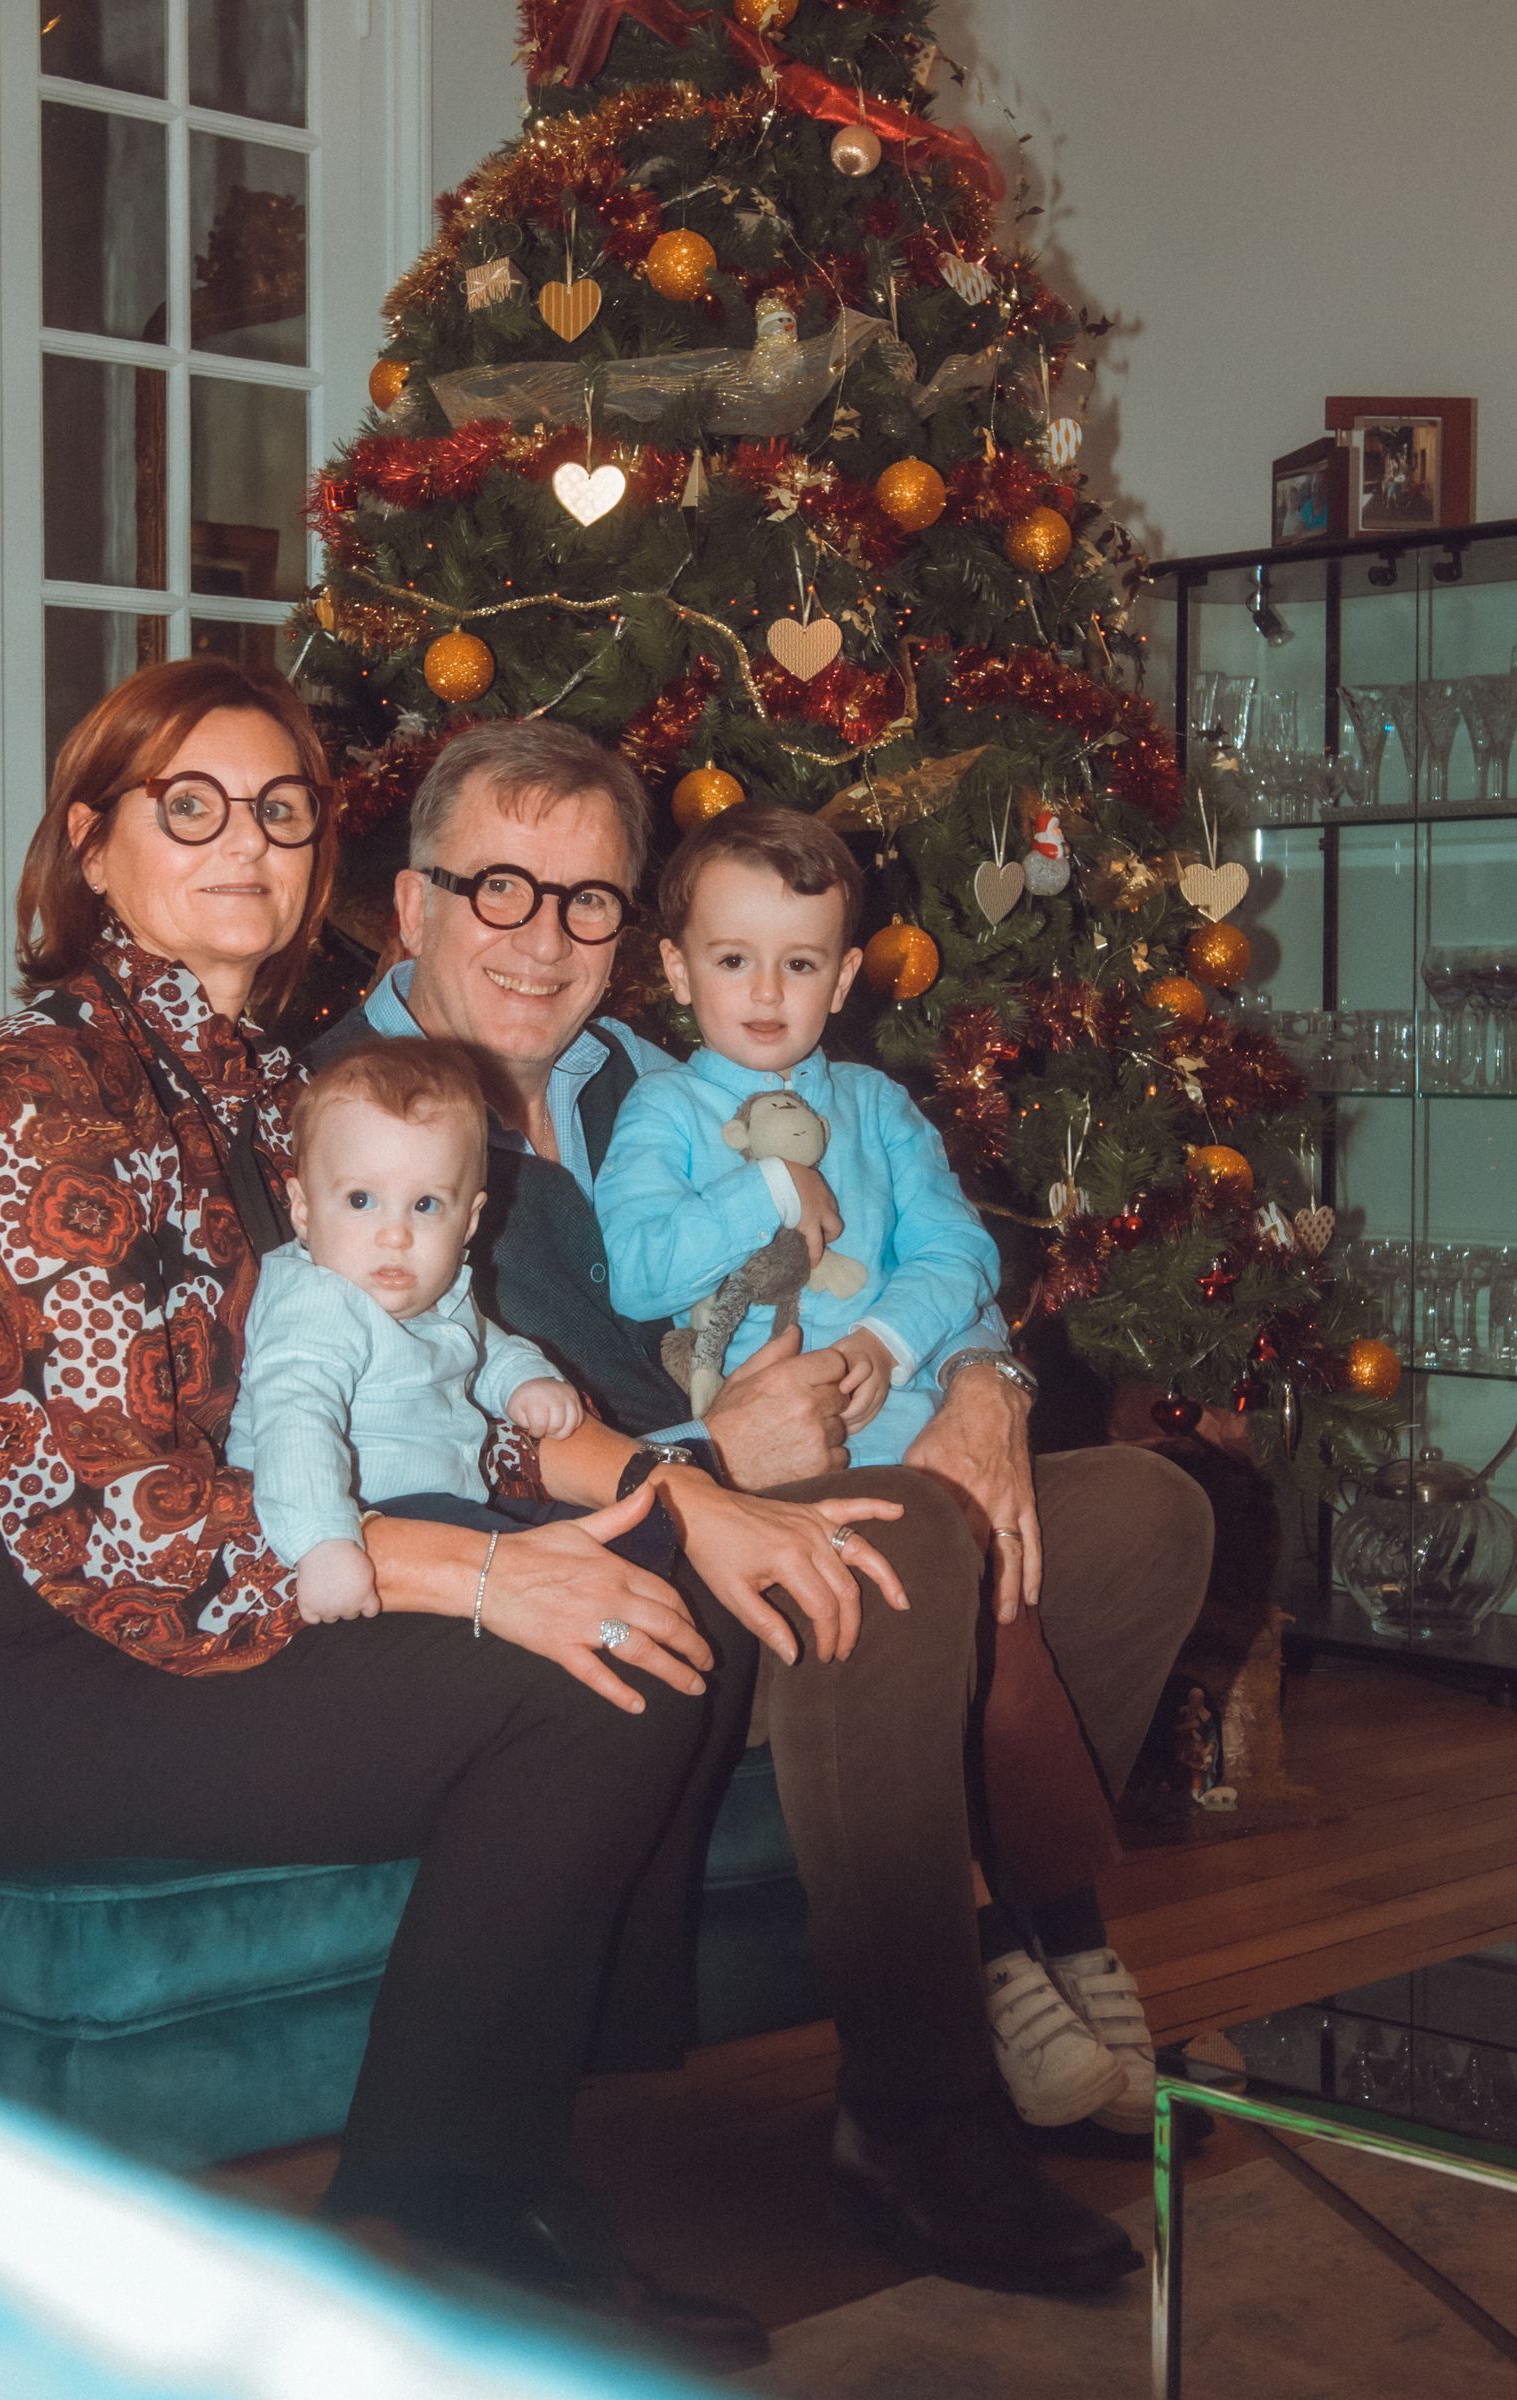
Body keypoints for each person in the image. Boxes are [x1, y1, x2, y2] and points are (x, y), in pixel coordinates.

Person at [0, 657, 899, 2375]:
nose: (244, 844)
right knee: (583, 1656)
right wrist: (489, 1582)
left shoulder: (276, 1095)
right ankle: (452, 2197)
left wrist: (669, 1493)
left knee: (648, 1595)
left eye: (276, 811)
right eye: (188, 808)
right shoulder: (44, 1085)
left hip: (231, 1579)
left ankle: (462, 2164)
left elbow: (434, 1379)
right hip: (31, 1660)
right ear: (93, 848)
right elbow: (136, 1515)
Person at [313, 718, 1217, 2294]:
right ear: (411, 907)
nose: (544, 938)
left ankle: (1025, 1952)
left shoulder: (662, 1078)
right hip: (580, 1565)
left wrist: (991, 1390)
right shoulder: (352, 1122)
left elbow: (898, 1236)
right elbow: (440, 1426)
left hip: (818, 1468)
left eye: (588, 900)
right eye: (499, 890)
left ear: (637, 941)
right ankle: (924, 2107)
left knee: (1145, 1514)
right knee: (902, 1543)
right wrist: (713, 1462)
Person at [595, 803, 1148, 2136]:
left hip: (917, 1443)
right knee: (927, 1569)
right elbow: (638, 1266)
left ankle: (1066, 1928)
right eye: (733, 960)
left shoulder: (881, 1105)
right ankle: (999, 1961)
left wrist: (899, 1344)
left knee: (1030, 1588)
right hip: (780, 1479)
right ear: (675, 971)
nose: (768, 992)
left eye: (801, 962)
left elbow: (961, 1256)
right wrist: (777, 1191)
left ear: (847, 976)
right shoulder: (663, 1116)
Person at [226, 1038, 585, 1624]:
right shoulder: (319, 1302)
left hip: (446, 1503)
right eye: (361, 1199)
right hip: (366, 1516)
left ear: (468, 1220)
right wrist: (322, 1544)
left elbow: (482, 1345)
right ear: (303, 1209)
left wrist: (525, 1379)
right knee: (570, 1573)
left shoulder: (435, 1291)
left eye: (425, 1205)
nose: (395, 1234)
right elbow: (296, 1419)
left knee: (583, 1543)